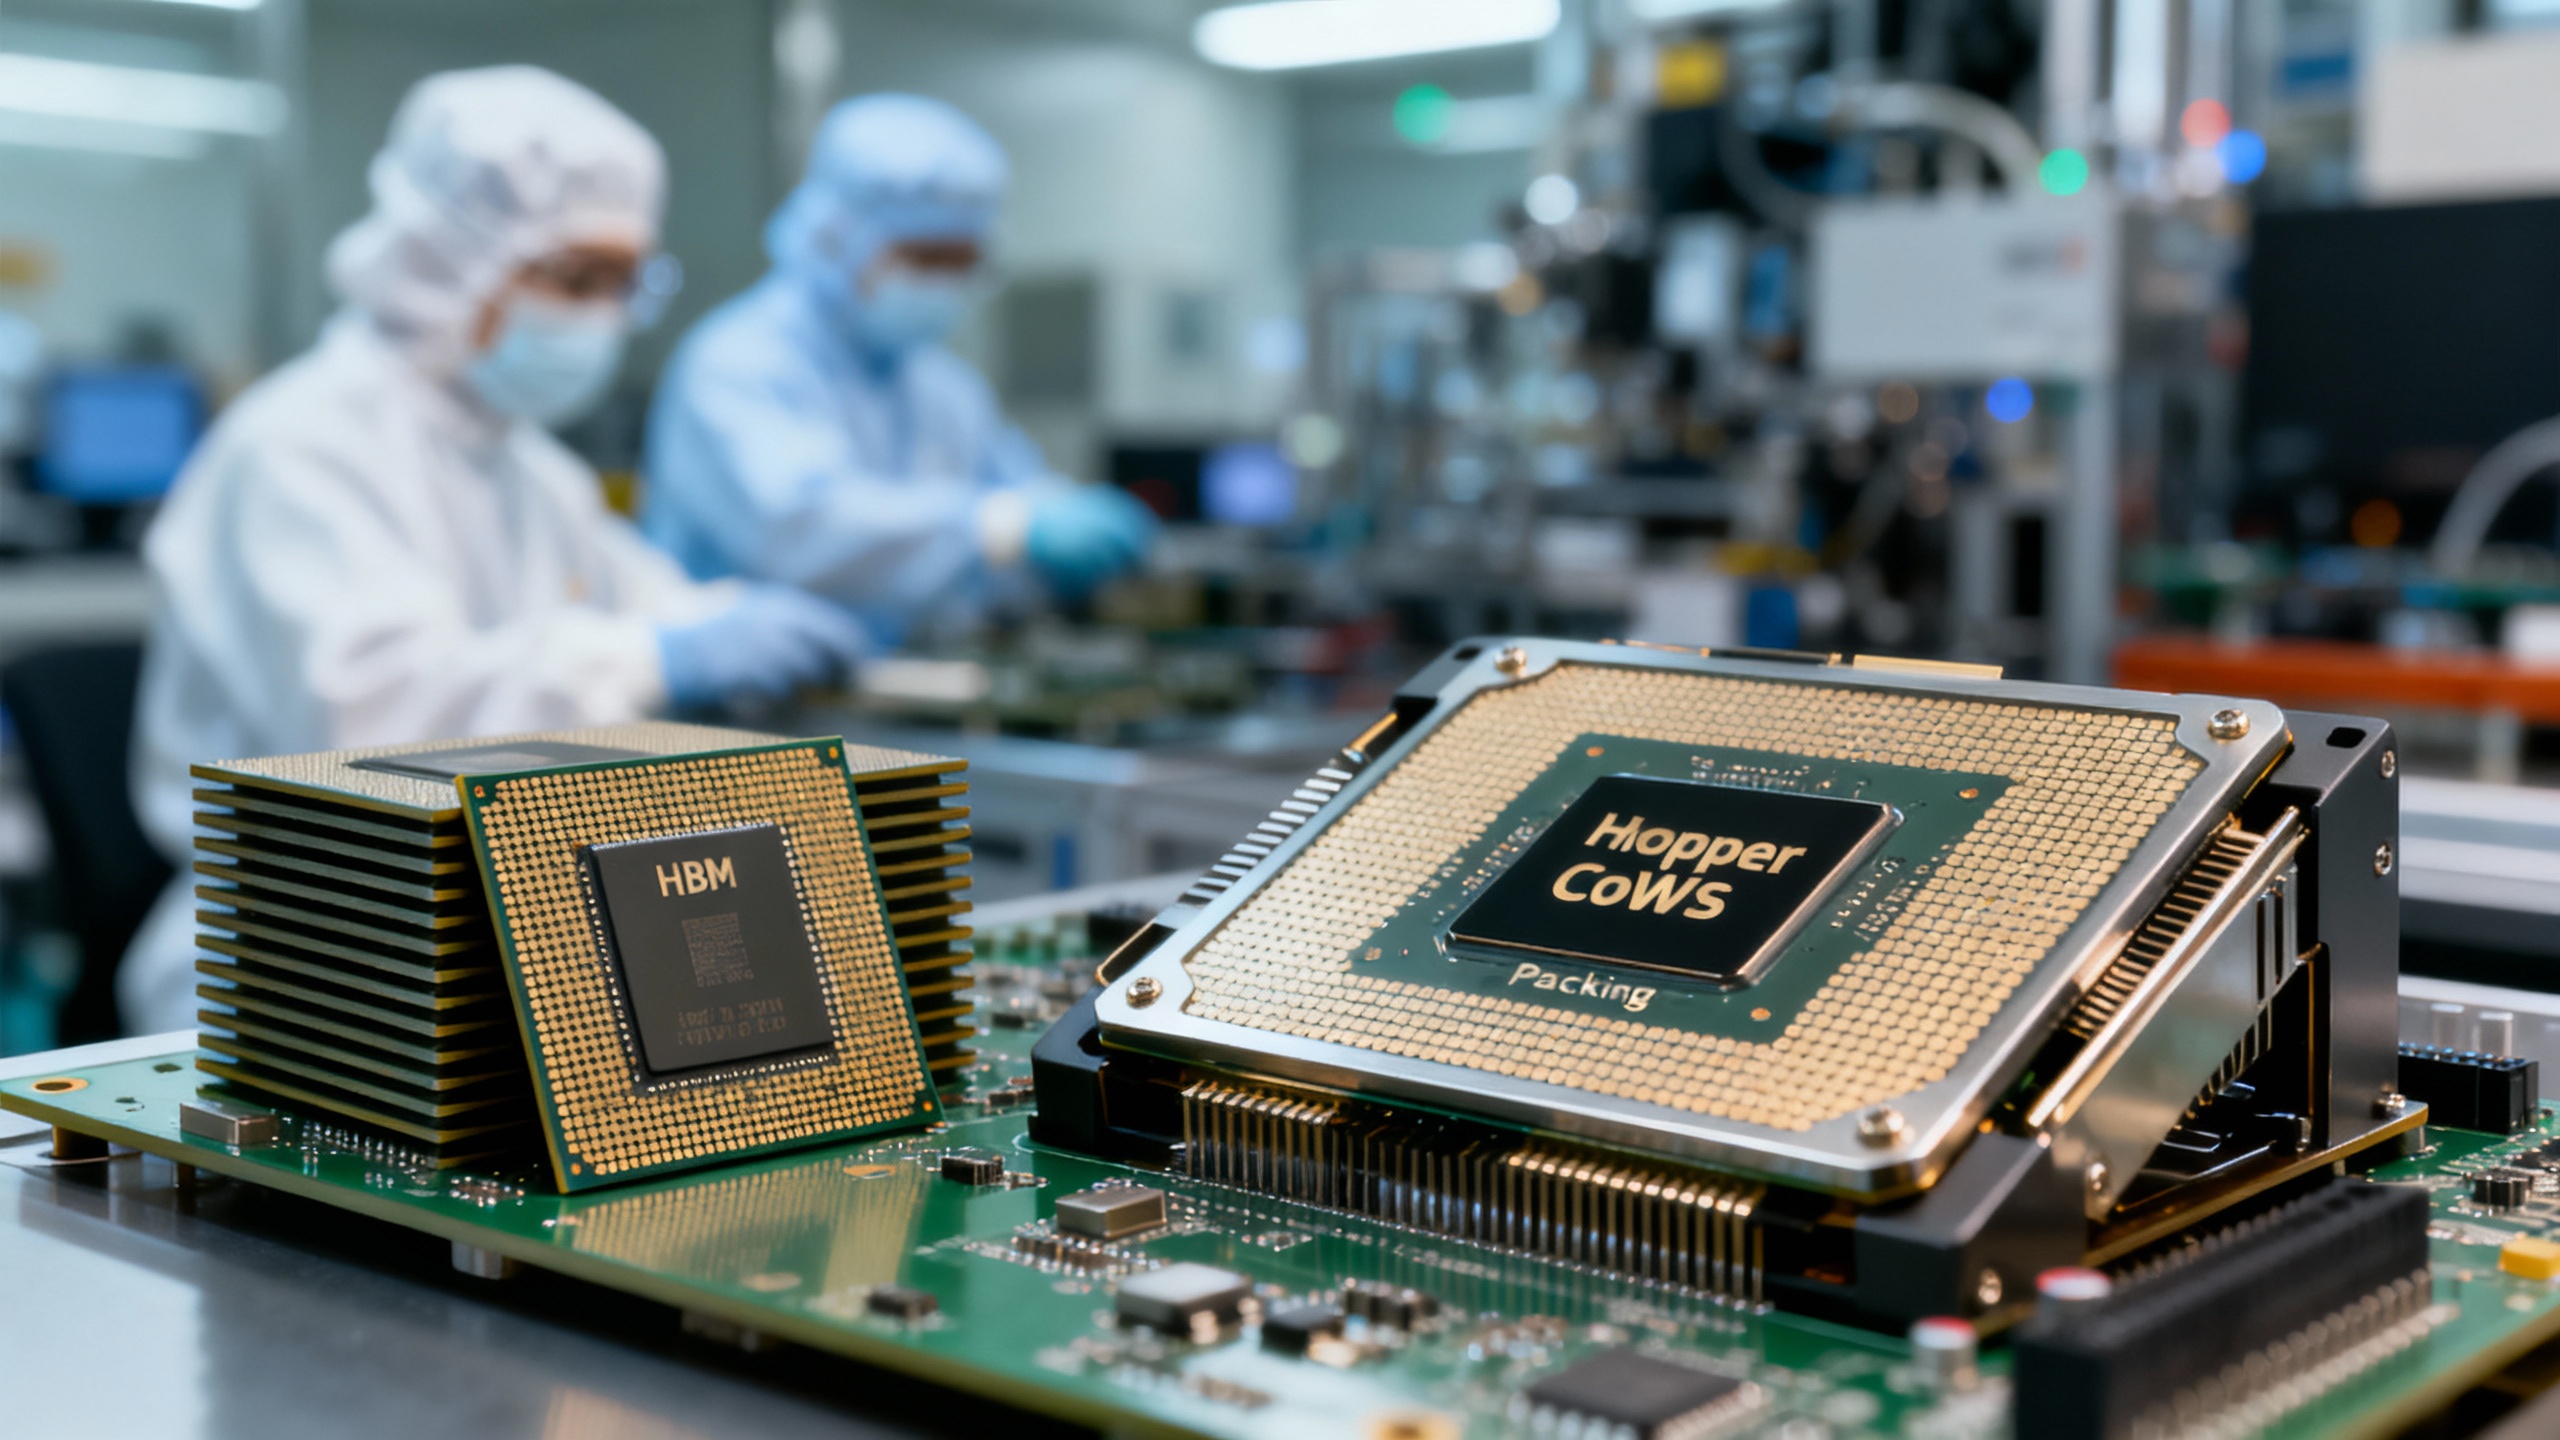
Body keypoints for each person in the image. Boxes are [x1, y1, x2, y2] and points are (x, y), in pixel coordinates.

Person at [117, 66, 867, 1034]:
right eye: (571, 278)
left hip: (507, 934)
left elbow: (642, 598)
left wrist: (729, 621)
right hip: (301, 965)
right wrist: (653, 659)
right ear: (441, 256)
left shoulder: (525, 464)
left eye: (622, 284)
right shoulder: (301, 445)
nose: (598, 317)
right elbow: (376, 731)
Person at [642, 93, 1156, 651]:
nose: (944, 283)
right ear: (835, 238)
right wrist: (997, 529)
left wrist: (1055, 514)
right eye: (925, 257)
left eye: (963, 261)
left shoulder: (943, 385)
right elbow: (799, 527)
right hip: (736, 705)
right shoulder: (737, 361)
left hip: (892, 691)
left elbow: (1011, 493)